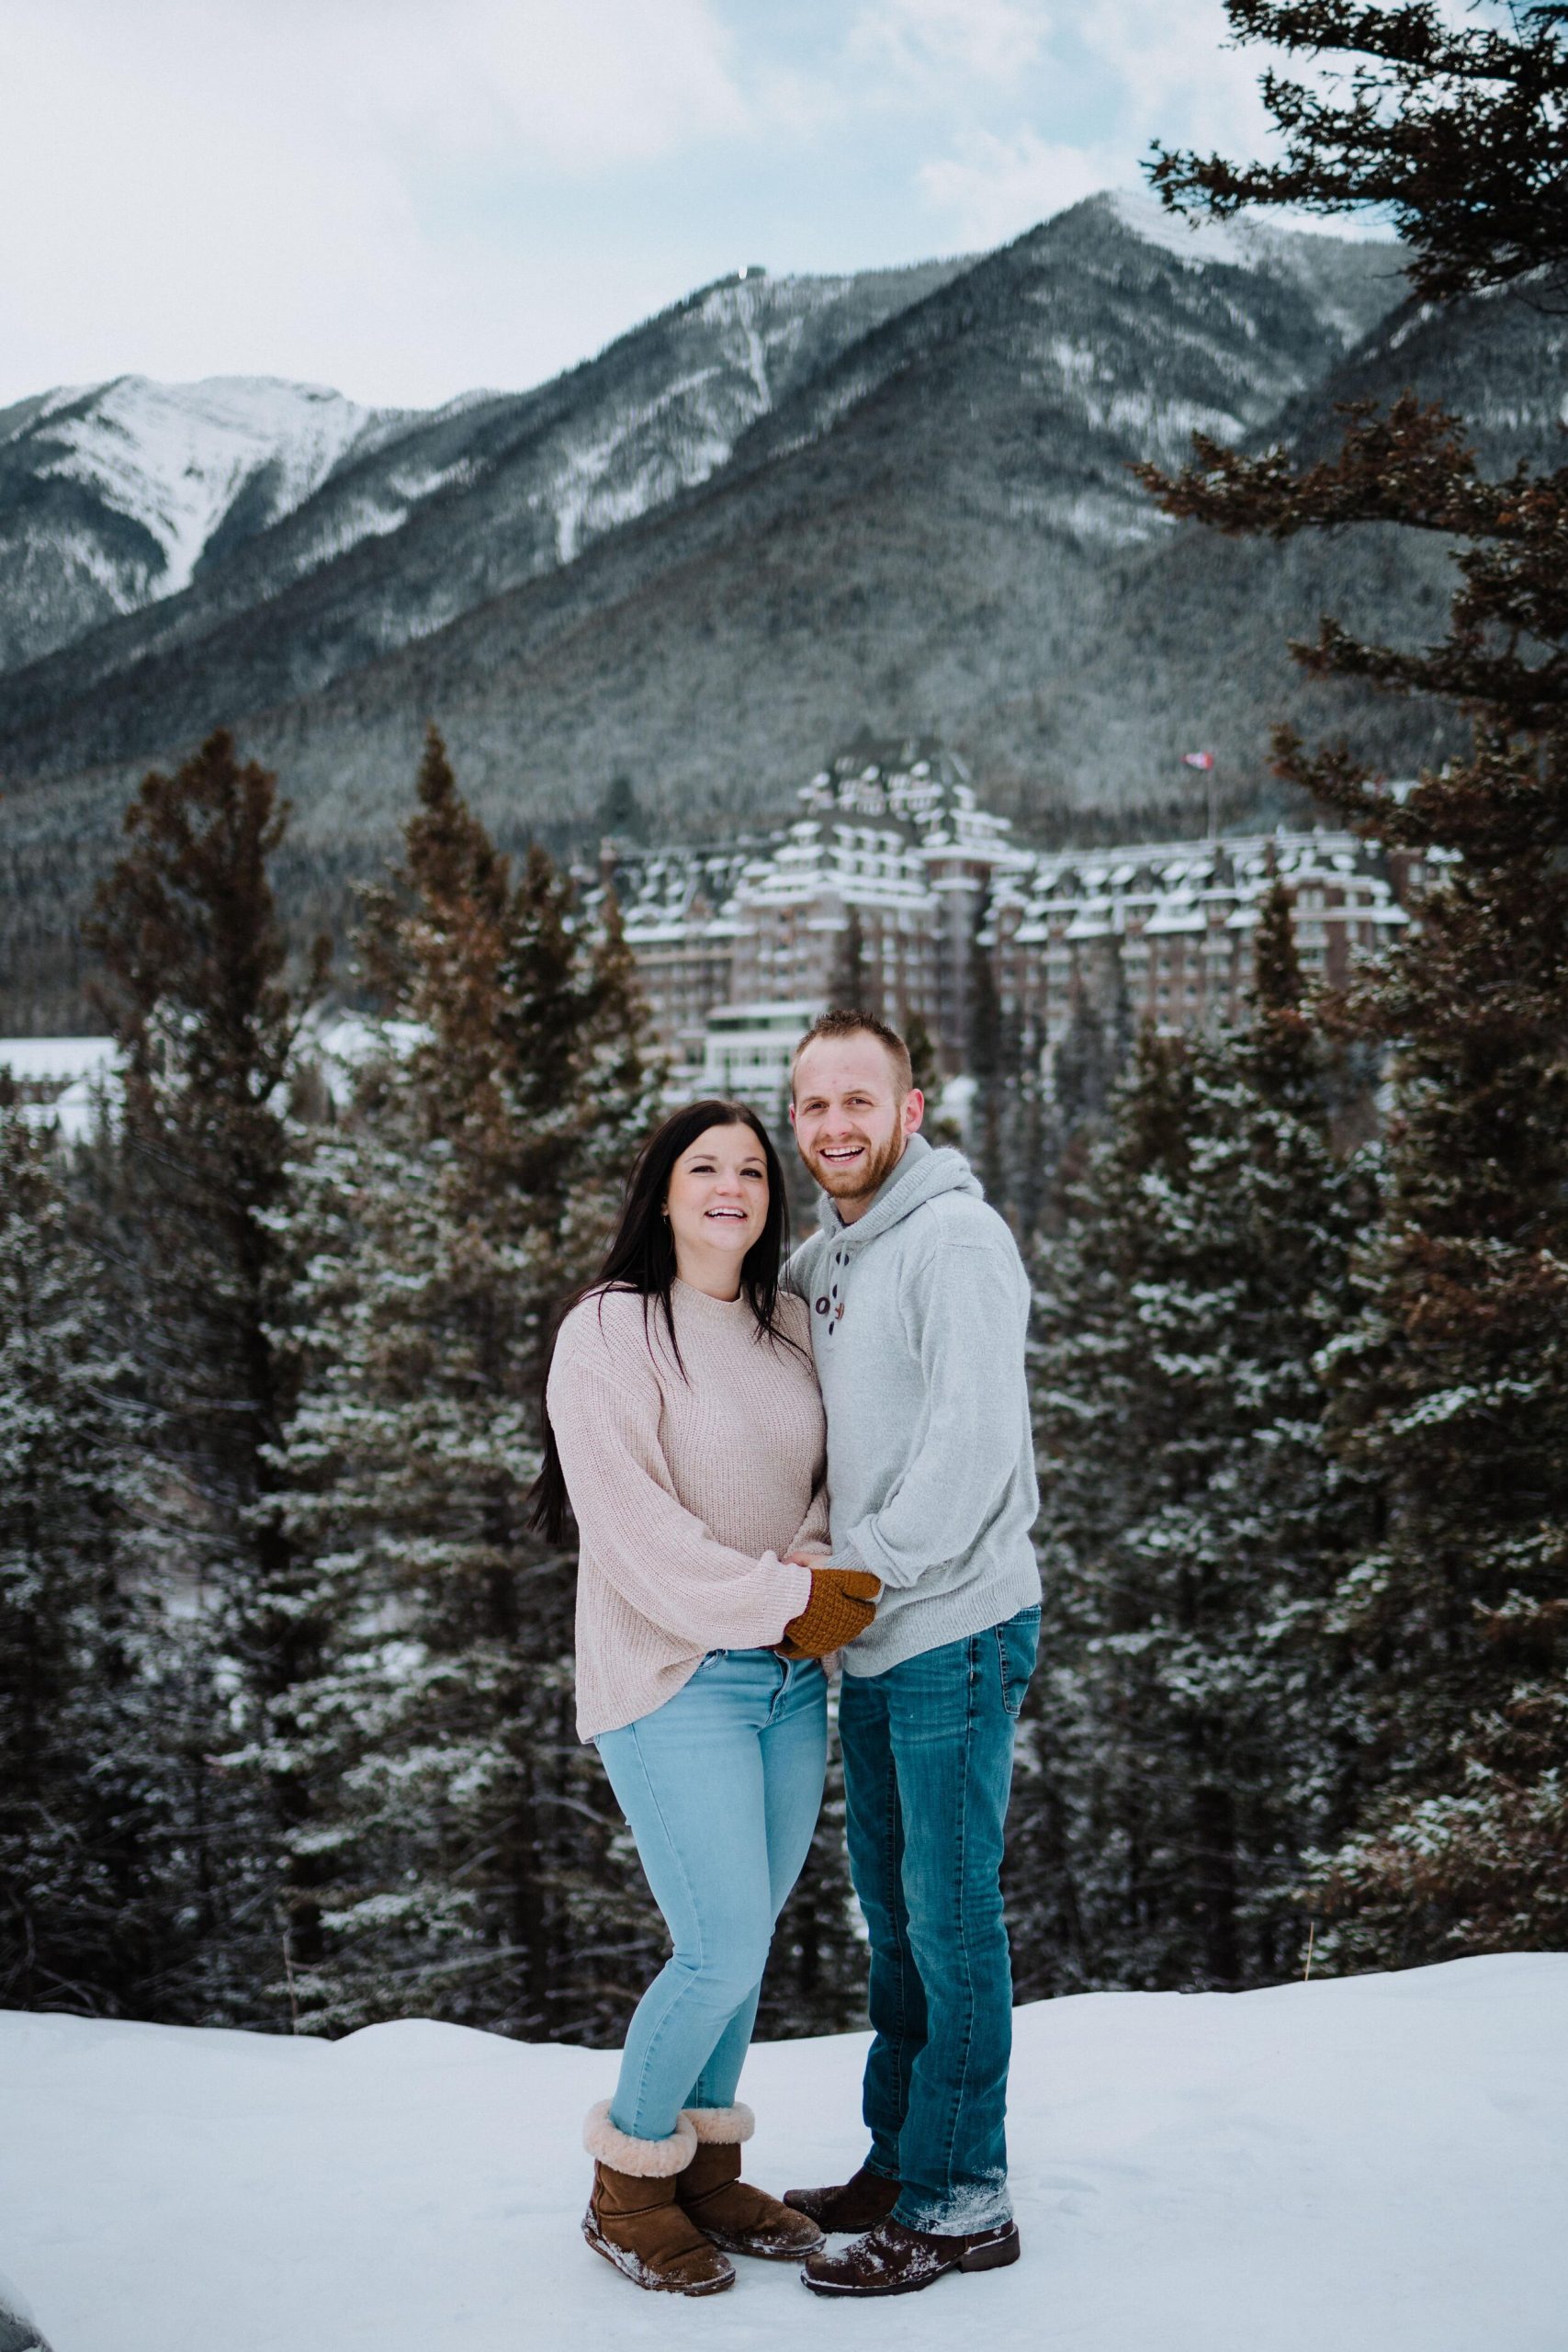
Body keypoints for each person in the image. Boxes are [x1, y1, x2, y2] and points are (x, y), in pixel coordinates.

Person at [531, 1098, 880, 2298]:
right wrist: (777, 1603)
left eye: (749, 1170)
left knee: (752, 1939)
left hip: (788, 1683)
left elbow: (827, 1490)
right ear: (664, 1191)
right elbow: (633, 1533)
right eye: (703, 1167)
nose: (730, 1186)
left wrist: (822, 1575)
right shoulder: (612, 1330)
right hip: (670, 1673)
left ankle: (710, 2169)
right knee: (717, 1942)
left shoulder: (788, 1327)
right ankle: (627, 2188)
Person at [780, 1008, 1043, 2299]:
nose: (835, 1126)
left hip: (954, 1629)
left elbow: (970, 1454)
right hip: (877, 1640)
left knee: (948, 1918)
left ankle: (963, 2199)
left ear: (911, 1109)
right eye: (813, 1106)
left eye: (857, 1102)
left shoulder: (955, 1241)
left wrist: (852, 1574)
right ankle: (904, 2155)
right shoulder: (828, 1261)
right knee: (894, 1921)